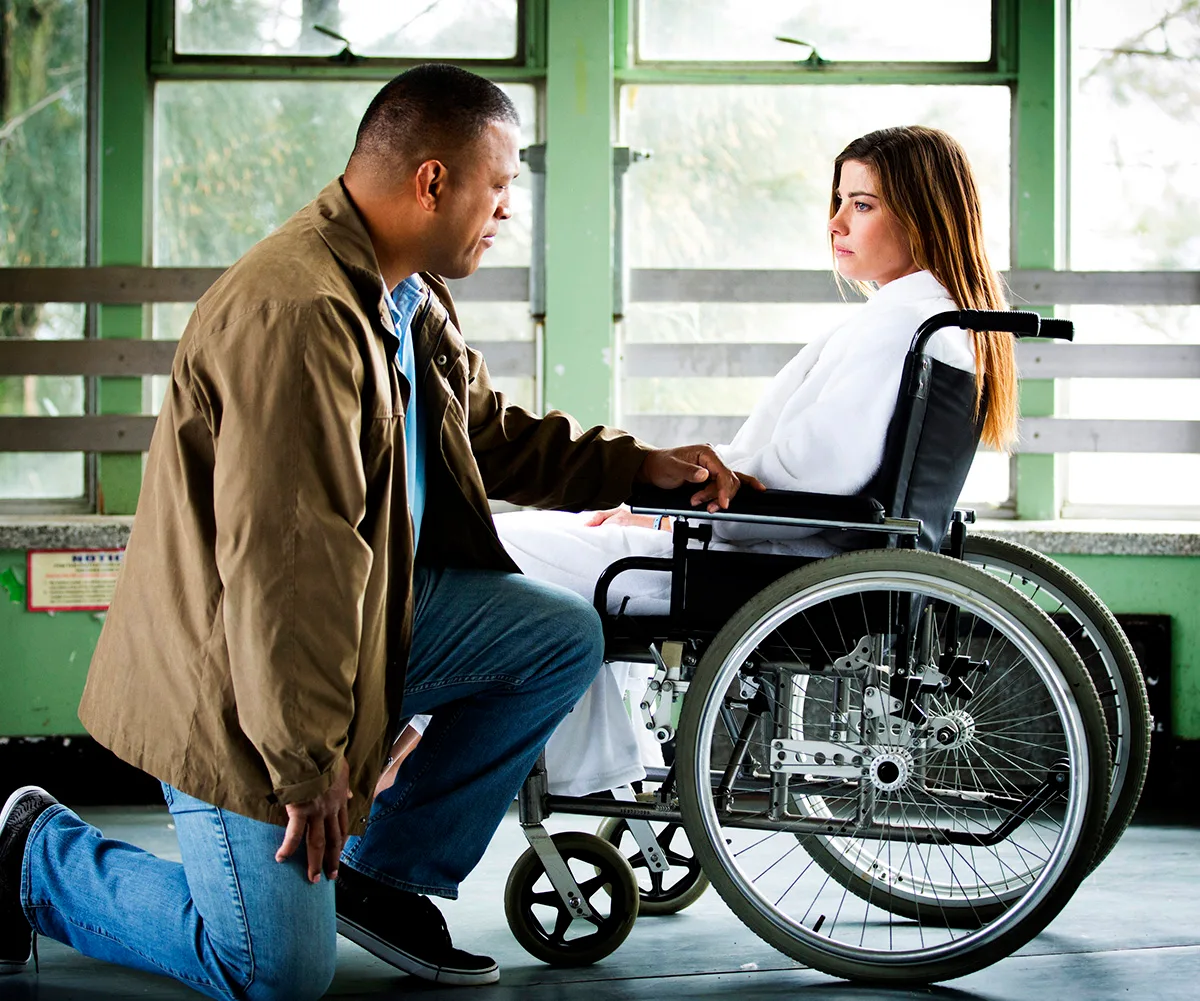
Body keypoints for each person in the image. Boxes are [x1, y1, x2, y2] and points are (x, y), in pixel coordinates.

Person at [0, 65, 750, 1000]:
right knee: (277, 969)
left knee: (558, 635)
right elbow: (287, 571)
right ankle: (34, 853)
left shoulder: (405, 296)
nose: (507, 210)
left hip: (364, 625)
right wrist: (310, 768)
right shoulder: (299, 314)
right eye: (502, 183)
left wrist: (636, 465)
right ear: (433, 180)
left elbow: (482, 434)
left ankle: (386, 876)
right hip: (236, 672)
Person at [494, 125, 1019, 798]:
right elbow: (811, 466)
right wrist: (659, 506)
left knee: (497, 542)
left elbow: (818, 474)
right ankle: (597, 763)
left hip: (762, 563)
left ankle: (572, 768)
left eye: (862, 204)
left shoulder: (900, 325)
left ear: (922, 212)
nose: (835, 222)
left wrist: (671, 514)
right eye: (839, 200)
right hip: (781, 550)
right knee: (554, 550)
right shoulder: (933, 322)